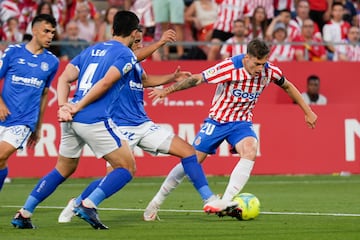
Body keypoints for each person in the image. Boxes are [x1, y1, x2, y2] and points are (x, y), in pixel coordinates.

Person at [57, 22, 238, 224]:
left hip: (143, 124)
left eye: (141, 42)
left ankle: (210, 199)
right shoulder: (118, 58)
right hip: (120, 127)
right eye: (137, 41)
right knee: (115, 176)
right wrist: (160, 42)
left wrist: (172, 77)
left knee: (188, 151)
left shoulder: (133, 63)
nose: (139, 45)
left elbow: (145, 80)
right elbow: (132, 58)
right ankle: (79, 203)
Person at [143, 38, 318, 221]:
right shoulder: (229, 67)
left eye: (263, 63)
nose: (260, 69)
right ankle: (155, 203)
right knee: (191, 162)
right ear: (247, 57)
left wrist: (308, 111)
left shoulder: (270, 71)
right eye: (257, 64)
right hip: (217, 121)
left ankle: (225, 202)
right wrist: (166, 91)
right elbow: (198, 79)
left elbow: (288, 86)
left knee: (250, 149)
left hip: (241, 124)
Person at [11, 10, 140, 230]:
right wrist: (77, 106)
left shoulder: (92, 48)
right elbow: (105, 84)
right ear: (134, 32)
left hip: (72, 117)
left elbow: (64, 78)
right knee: (126, 167)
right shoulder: (126, 54)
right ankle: (89, 204)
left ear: (113, 28)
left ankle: (24, 213)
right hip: (93, 117)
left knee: (63, 168)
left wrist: (65, 107)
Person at [0, 14, 59, 193]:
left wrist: (38, 127)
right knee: (1, 161)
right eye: (46, 31)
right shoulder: (13, 52)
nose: (50, 36)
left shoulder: (52, 62)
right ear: (34, 30)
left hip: (23, 121)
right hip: (3, 114)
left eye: (53, 33)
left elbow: (44, 94)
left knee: (0, 155)